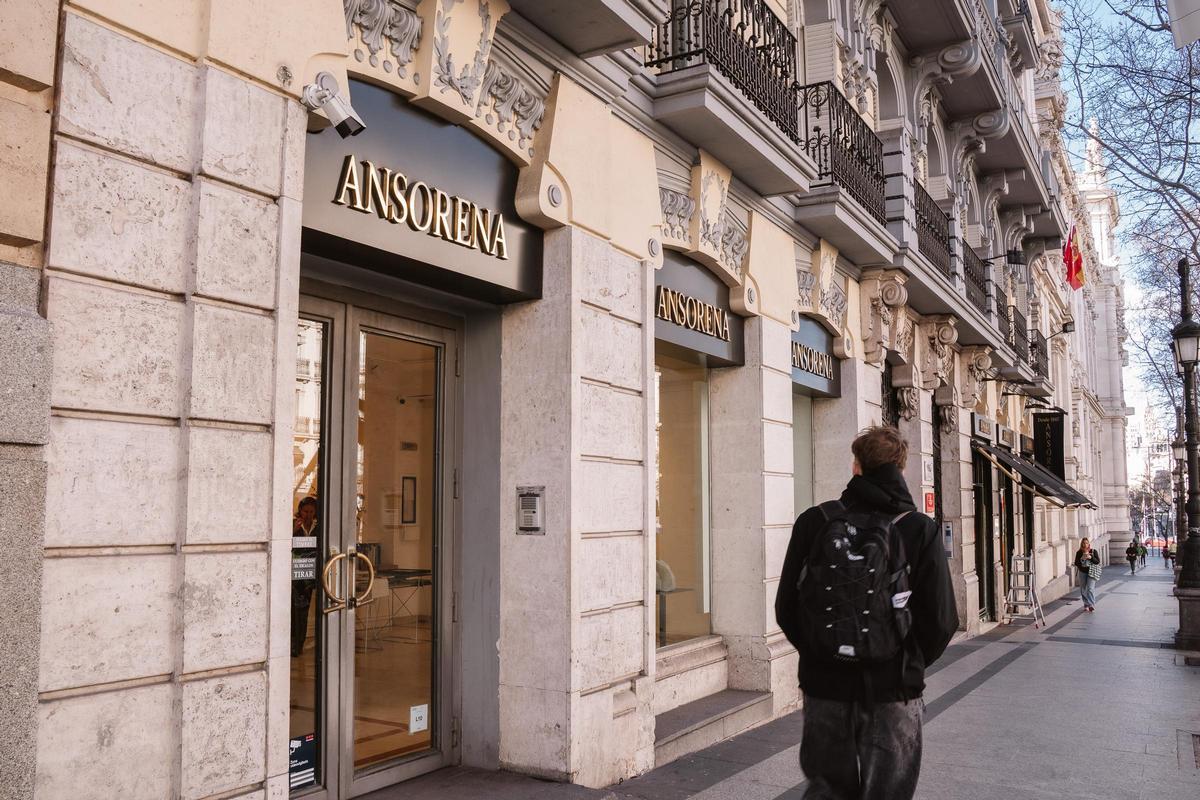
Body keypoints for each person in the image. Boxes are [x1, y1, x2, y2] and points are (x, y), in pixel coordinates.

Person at [776, 426, 958, 800]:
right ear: (901, 469)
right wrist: (906, 661)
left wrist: (821, 650)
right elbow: (941, 619)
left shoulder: (816, 521)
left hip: (825, 686)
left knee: (827, 790)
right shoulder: (919, 529)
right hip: (893, 691)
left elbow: (785, 608)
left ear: (856, 466)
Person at [292, 496, 320, 658]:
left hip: (314, 570)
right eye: (305, 511)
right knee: (298, 610)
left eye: (311, 511)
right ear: (300, 511)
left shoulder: (319, 526)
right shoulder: (294, 524)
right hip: (298, 570)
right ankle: (296, 645)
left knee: (308, 609)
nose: (308, 515)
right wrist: (294, 531)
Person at [1074, 538, 1101, 612]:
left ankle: (1091, 604)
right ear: (1081, 544)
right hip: (1083, 572)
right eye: (1083, 543)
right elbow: (1076, 563)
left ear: (1088, 543)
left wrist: (1091, 557)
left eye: (1086, 543)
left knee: (1090, 588)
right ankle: (1086, 604)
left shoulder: (1093, 551)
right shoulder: (1079, 552)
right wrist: (1082, 558)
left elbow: (1097, 561)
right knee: (1083, 589)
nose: (1085, 544)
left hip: (1092, 572)